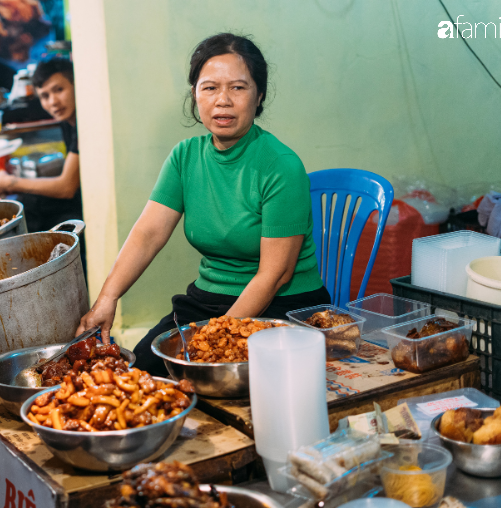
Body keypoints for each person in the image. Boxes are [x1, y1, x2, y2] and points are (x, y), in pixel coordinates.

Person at [76, 33, 331, 376]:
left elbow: (274, 275)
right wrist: (107, 298)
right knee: (142, 372)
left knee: (219, 382)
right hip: (207, 301)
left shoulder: (281, 165)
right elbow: (149, 233)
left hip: (282, 307)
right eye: (209, 88)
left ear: (259, 96)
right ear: (195, 95)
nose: (222, 100)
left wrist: (215, 339)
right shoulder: (185, 157)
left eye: (238, 88)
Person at [0, 57, 82, 233]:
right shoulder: (68, 121)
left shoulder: (83, 121)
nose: (53, 102)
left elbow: (67, 187)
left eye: (59, 90)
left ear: (76, 85)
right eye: (45, 96)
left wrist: (9, 183)